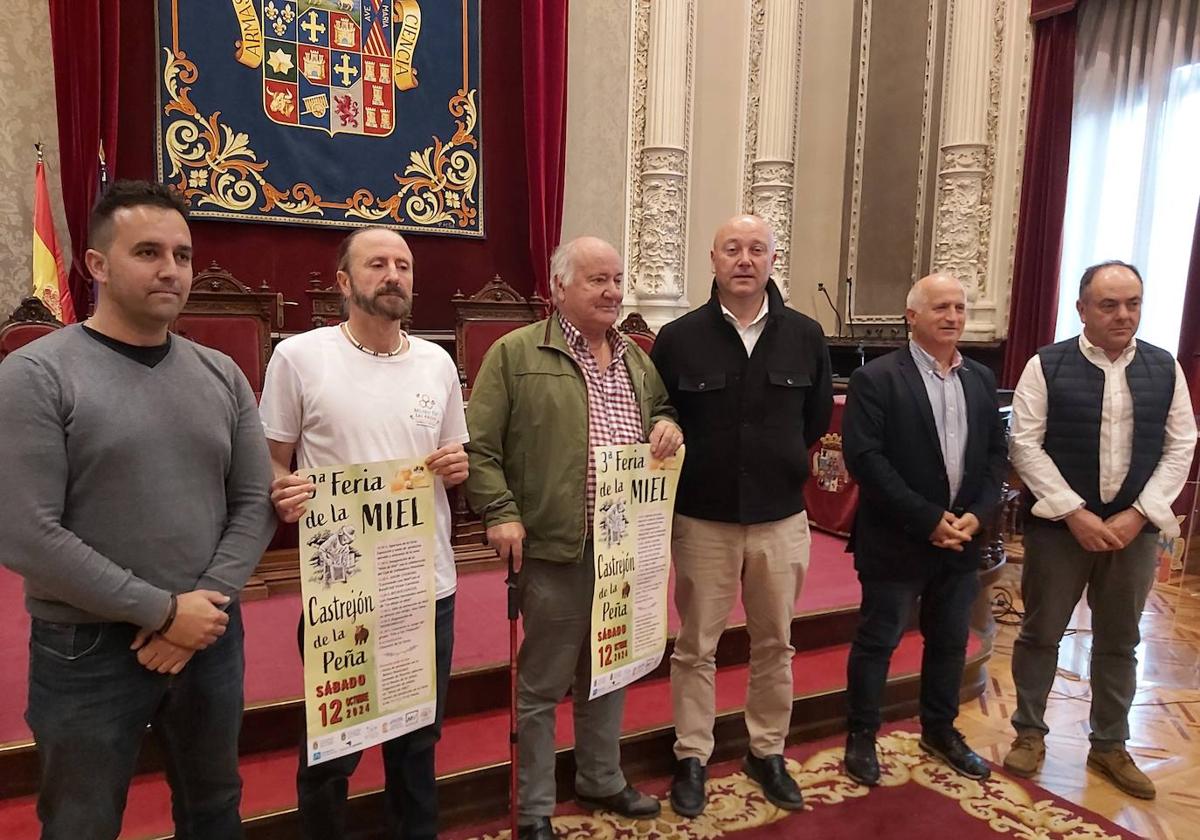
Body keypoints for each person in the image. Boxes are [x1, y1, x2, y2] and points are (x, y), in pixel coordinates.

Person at [0, 179, 276, 839]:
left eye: (181, 255)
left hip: (209, 636)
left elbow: (253, 500)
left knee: (214, 810)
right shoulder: (37, 375)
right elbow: (25, 533)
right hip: (87, 649)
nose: (171, 270)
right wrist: (163, 612)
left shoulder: (221, 372)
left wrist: (202, 607)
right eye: (148, 252)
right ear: (96, 265)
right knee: (81, 823)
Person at [464, 236, 683, 840]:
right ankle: (534, 807)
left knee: (609, 668)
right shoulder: (514, 354)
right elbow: (479, 446)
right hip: (555, 549)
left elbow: (663, 408)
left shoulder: (638, 357)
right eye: (597, 280)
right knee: (541, 685)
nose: (613, 291)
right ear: (560, 288)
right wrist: (500, 510)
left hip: (623, 549)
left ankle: (600, 777)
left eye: (617, 279)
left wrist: (665, 424)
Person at [259, 226, 469, 839]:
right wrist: (282, 486)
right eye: (377, 264)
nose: (394, 275)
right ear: (346, 282)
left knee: (418, 740)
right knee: (333, 744)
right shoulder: (300, 357)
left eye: (403, 264)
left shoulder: (436, 362)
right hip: (343, 585)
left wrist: (458, 464)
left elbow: (452, 454)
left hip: (426, 583)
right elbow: (272, 458)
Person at [649, 214, 833, 816]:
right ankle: (692, 755)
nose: (745, 259)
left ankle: (766, 750)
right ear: (713, 258)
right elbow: (665, 408)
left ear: (773, 259)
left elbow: (812, 423)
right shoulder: (678, 337)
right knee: (696, 646)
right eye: (733, 248)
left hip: (780, 519)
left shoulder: (806, 335)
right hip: (703, 519)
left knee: (775, 642)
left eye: (757, 249)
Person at [1005, 260, 1196, 799]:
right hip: (1062, 530)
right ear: (1082, 308)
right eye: (1109, 304)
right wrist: (1075, 512)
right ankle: (1029, 733)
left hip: (1132, 532)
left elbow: (1180, 444)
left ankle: (1110, 745)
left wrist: (1140, 512)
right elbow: (1026, 444)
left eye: (1133, 303)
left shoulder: (1166, 367)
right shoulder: (1046, 364)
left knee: (1120, 641)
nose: (1123, 314)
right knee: (1041, 634)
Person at [841, 273, 1008, 786]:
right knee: (878, 642)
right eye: (941, 307)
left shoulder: (979, 379)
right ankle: (862, 736)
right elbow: (866, 461)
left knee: (950, 641)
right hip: (897, 539)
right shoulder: (878, 379)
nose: (953, 316)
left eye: (960, 307)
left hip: (961, 540)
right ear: (912, 316)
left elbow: (995, 457)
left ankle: (940, 730)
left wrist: (977, 515)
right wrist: (927, 520)